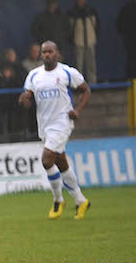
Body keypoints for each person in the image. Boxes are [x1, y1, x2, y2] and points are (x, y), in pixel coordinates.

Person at [18, 41, 91, 220]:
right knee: (61, 162)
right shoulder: (34, 75)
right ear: (41, 55)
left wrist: (78, 110)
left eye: (50, 51)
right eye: (44, 52)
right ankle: (81, 201)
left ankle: (58, 200)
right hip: (45, 125)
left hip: (62, 123)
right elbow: (27, 97)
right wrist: (24, 100)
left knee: (47, 159)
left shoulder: (67, 72)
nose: (47, 55)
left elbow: (86, 90)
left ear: (57, 53)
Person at [68, 0, 99, 84]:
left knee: (91, 65)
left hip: (90, 41)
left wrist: (94, 37)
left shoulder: (91, 11)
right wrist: (72, 40)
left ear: (85, 0)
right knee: (78, 65)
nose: (81, 1)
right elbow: (69, 28)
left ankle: (92, 83)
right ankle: (79, 84)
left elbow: (97, 26)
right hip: (78, 42)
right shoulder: (72, 12)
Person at [117, 0, 136, 78]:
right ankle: (131, 79)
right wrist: (126, 36)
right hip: (130, 39)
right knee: (131, 59)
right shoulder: (126, 9)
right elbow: (120, 24)